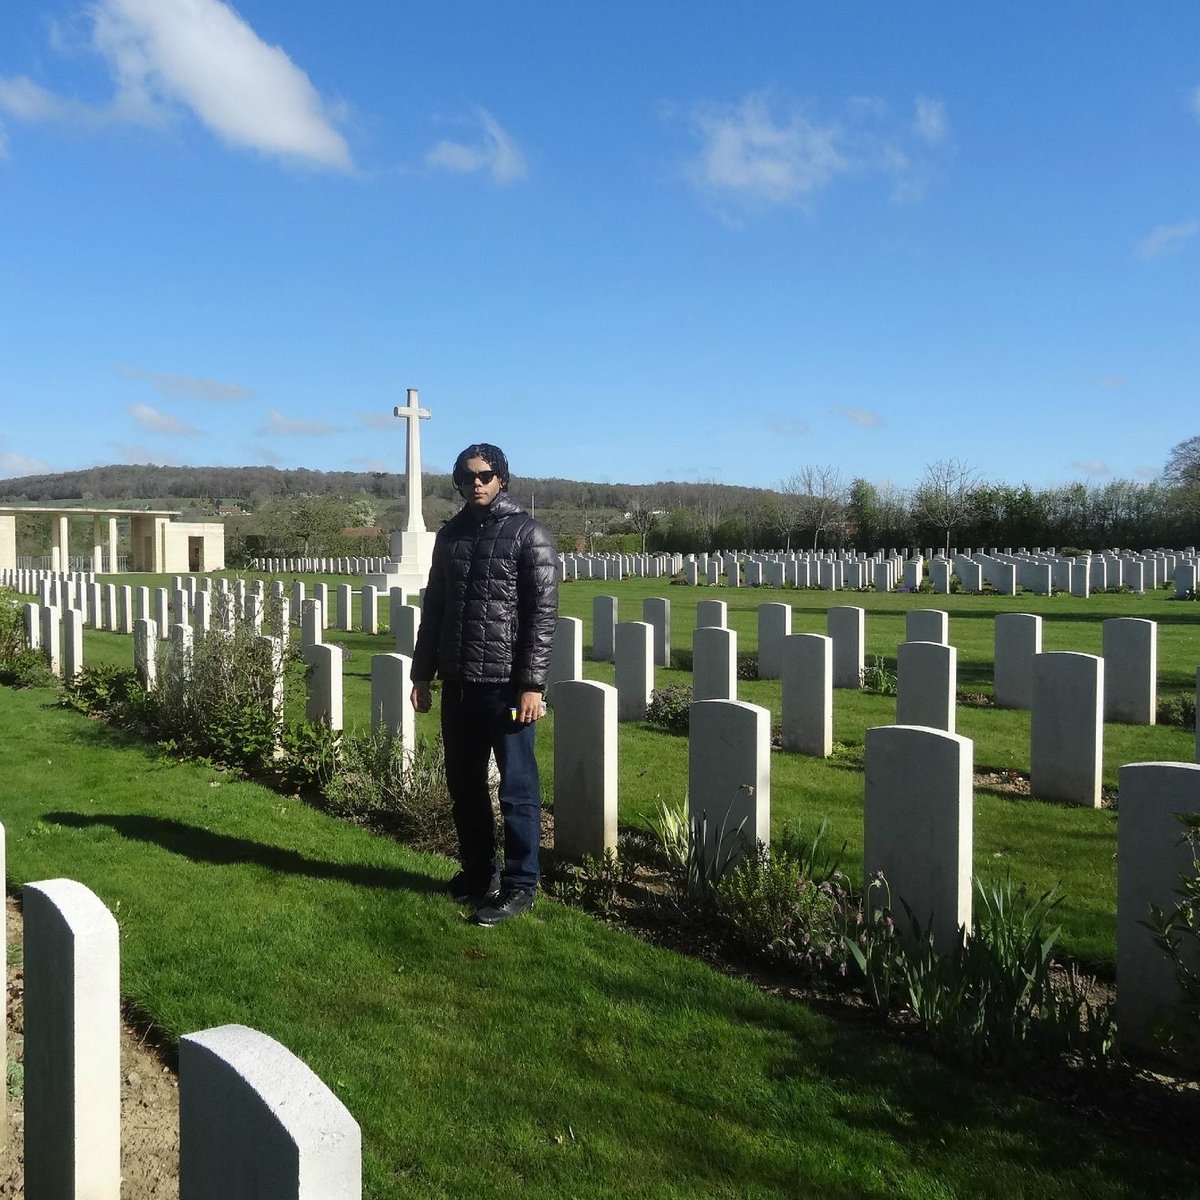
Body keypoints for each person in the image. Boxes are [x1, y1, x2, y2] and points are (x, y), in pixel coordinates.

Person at [409, 442, 558, 925]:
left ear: (502, 479)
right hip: (458, 682)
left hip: (506, 687)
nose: (477, 482)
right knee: (465, 787)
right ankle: (478, 872)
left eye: (486, 475)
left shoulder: (529, 535)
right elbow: (435, 610)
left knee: (516, 790)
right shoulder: (450, 536)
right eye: (468, 475)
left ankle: (520, 884)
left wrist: (532, 684)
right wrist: (421, 673)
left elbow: (542, 615)